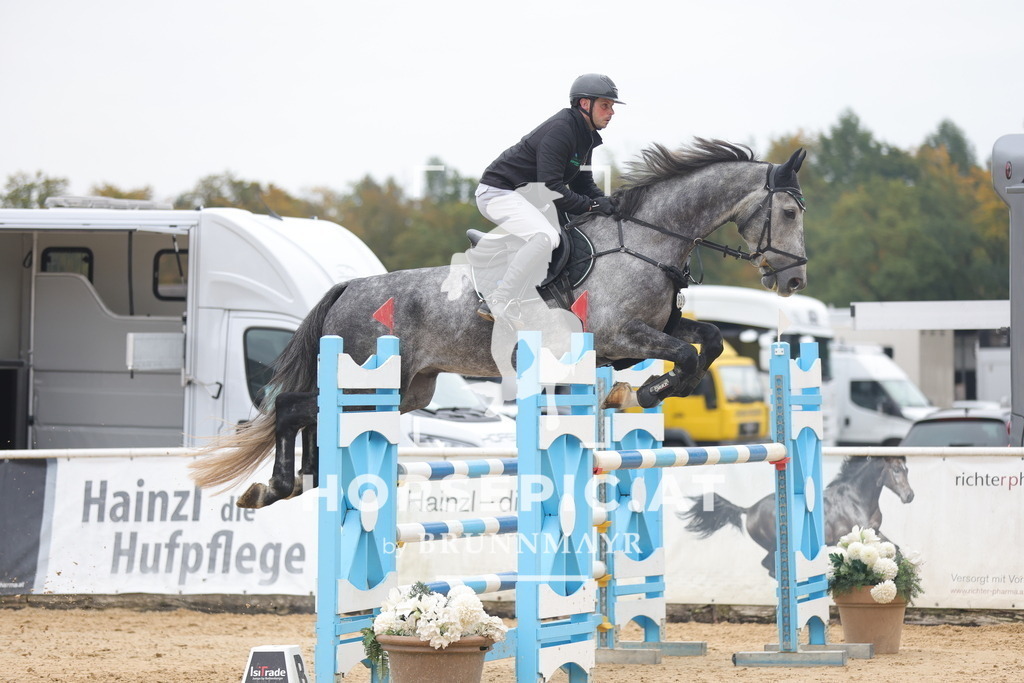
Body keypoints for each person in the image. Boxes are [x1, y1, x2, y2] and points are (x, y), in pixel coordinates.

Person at [473, 73, 624, 324]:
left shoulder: (585, 135)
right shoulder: (562, 129)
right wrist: (590, 204)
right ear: (585, 104)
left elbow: (582, 183)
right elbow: (550, 188)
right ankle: (498, 298)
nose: (611, 112)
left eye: (611, 107)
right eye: (605, 105)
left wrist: (608, 204)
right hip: (498, 192)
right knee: (546, 237)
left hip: (525, 197)